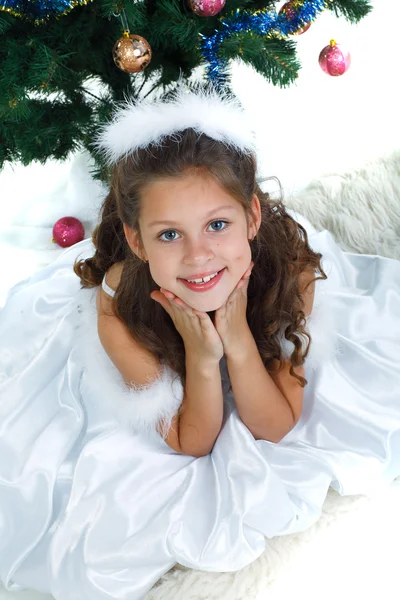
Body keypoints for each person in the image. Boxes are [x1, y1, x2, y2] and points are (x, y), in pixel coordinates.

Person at [0, 88, 399, 600]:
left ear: (251, 218)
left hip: (261, 287)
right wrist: (203, 357)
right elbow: (194, 442)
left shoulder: (288, 271)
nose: (198, 256)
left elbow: (274, 426)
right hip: (157, 331)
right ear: (138, 241)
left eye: (217, 225)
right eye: (169, 235)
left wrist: (236, 336)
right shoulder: (119, 306)